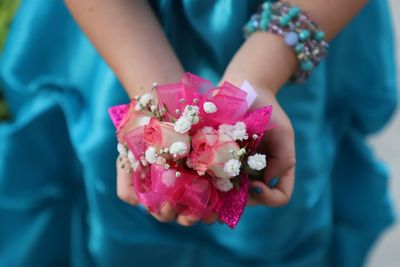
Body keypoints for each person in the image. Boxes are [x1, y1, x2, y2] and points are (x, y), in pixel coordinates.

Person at [0, 0, 397, 266]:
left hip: (299, 19)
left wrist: (261, 70)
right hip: (119, 29)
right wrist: (151, 93)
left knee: (273, 228)